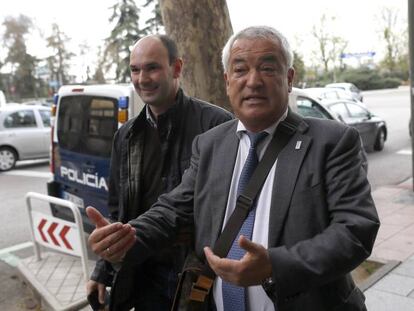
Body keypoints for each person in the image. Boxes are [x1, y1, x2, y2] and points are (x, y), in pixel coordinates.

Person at [87, 26, 380, 311]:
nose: (253, 81)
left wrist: (275, 266)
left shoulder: (333, 141)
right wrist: (127, 235)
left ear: (288, 78)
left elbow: (355, 230)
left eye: (267, 68)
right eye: (240, 70)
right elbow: (172, 210)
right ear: (228, 81)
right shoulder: (210, 144)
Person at [86, 34, 233, 311]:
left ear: (176, 68)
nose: (142, 78)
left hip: (198, 277)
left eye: (152, 67)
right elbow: (120, 211)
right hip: (144, 276)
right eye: (135, 69)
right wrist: (103, 270)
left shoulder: (217, 125)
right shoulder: (126, 136)